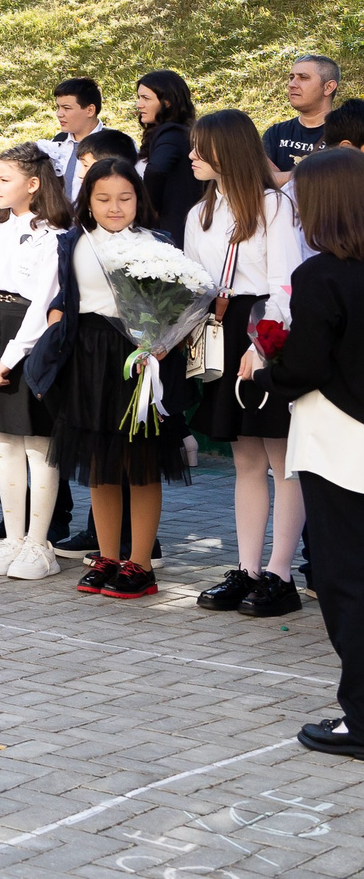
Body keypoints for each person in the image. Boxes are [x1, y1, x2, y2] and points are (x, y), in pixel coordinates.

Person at [51, 158, 189, 600]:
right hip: (86, 357)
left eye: (125, 198)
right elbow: (64, 295)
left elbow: (180, 307)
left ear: (139, 199)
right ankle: (107, 556)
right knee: (99, 465)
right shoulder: (72, 241)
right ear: (87, 201)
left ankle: (141, 564)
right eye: (103, 198)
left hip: (136, 360)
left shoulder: (157, 243)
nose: (115, 207)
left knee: (141, 464)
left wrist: (160, 343)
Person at [185, 110, 305, 618]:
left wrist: (261, 345)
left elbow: (286, 283)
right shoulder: (200, 212)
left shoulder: (275, 206)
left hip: (266, 328)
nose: (191, 156)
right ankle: (248, 568)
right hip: (221, 328)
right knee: (246, 460)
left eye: (200, 148)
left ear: (227, 151)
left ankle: (282, 573)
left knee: (283, 462)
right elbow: (195, 283)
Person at [274, 147, 364, 757]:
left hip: (340, 441)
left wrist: (261, 372)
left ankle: (361, 718)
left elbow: (305, 366)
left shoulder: (320, 276)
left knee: (344, 579)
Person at [0, 143, 70, 578]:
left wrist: (6, 362)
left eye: (4, 179)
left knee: (38, 446)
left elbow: (42, 306)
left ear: (33, 184)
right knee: (4, 442)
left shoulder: (55, 237)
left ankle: (38, 544)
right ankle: (11, 538)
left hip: (30, 343)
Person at [134, 69, 200, 240]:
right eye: (139, 97)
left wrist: (148, 209)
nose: (139, 104)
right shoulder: (183, 132)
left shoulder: (171, 132)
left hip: (170, 228)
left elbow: (156, 169)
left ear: (168, 102)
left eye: (146, 98)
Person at [266, 54, 342, 187]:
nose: (292, 85)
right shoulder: (276, 133)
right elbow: (259, 179)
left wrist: (282, 177)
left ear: (328, 87)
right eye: (291, 78)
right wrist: (313, 173)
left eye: (303, 78)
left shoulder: (347, 132)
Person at [42, 77, 103, 202]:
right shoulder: (58, 141)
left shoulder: (115, 143)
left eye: (66, 108)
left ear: (90, 110)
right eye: (58, 107)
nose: (59, 114)